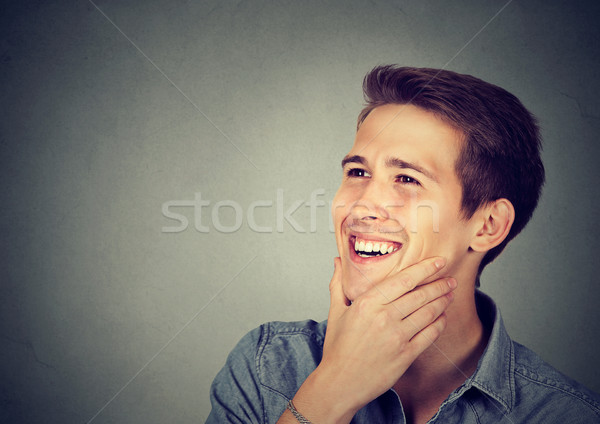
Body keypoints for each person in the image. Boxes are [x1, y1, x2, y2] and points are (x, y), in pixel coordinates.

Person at [206, 66, 600, 423]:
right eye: (358, 172)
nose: (361, 205)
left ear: (488, 226)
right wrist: (331, 392)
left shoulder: (564, 415)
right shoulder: (264, 367)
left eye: (407, 179)